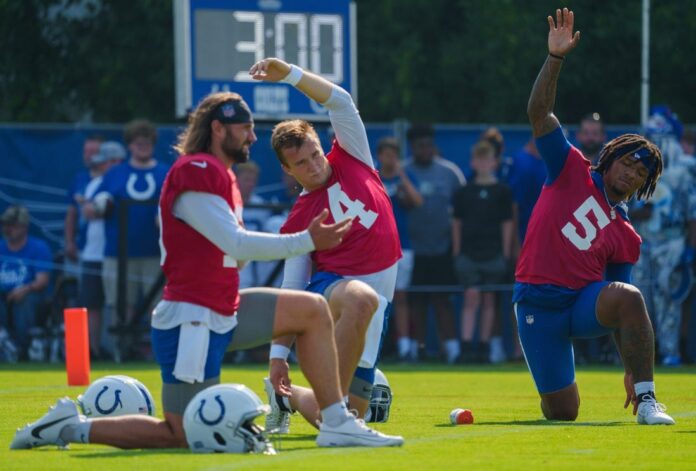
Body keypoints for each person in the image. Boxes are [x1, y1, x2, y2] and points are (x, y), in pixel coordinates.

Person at [10, 90, 403, 451]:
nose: (252, 138)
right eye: (245, 129)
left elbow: (236, 256)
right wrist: (306, 240)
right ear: (219, 129)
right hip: (191, 317)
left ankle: (336, 421)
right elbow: (236, 244)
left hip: (223, 306)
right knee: (178, 433)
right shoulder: (194, 169)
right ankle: (70, 427)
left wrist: (277, 355)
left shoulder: (221, 176)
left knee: (311, 309)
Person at [514, 7, 674, 425]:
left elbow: (624, 307)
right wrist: (555, 58)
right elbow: (539, 113)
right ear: (610, 156)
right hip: (538, 303)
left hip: (581, 305)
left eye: (641, 173)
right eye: (628, 163)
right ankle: (551, 390)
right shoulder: (571, 169)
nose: (631, 173)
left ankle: (648, 400)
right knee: (563, 412)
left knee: (631, 295)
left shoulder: (627, 234)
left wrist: (632, 370)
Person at [252, 58, 402, 431]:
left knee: (339, 418)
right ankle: (322, 397)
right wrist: (277, 356)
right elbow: (292, 288)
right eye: (302, 163)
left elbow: (341, 101)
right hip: (336, 292)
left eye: (316, 154)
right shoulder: (298, 218)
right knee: (361, 299)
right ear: (287, 170)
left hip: (376, 301)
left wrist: (290, 74)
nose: (315, 166)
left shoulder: (353, 155)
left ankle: (285, 396)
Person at [83, 119, 169, 358]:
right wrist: (98, 207)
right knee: (121, 306)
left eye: (147, 143)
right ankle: (122, 353)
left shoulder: (165, 172)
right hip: (118, 253)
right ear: (130, 145)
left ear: (153, 144)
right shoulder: (115, 173)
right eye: (138, 143)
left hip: (157, 253)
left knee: (159, 307)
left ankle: (159, 353)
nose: (142, 146)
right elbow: (92, 207)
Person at [630, 106, 696, 367]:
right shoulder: (636, 166)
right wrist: (639, 211)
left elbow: (692, 213)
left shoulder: (684, 169)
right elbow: (626, 208)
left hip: (672, 243)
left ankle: (670, 352)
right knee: (640, 299)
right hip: (642, 244)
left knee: (669, 299)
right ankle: (645, 353)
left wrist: (691, 248)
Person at [404, 123, 465, 363]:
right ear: (412, 147)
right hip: (413, 250)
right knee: (416, 302)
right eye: (420, 146)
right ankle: (417, 349)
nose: (425, 150)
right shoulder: (403, 172)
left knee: (443, 301)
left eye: (429, 145)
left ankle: (452, 350)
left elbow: (462, 211)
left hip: (443, 249)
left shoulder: (450, 173)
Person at [452, 140, 514, 363]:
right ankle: (466, 348)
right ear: (473, 163)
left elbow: (507, 223)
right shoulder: (464, 192)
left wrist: (505, 254)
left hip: (494, 254)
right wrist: (457, 252)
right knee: (471, 298)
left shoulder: (502, 191)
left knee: (489, 300)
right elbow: (456, 223)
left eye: (487, 159)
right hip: (468, 254)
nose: (483, 164)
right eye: (479, 159)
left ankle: (485, 348)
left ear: (494, 162)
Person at [76, 141, 126, 358]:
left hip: (116, 254)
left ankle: (119, 351)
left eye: (105, 162)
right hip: (93, 253)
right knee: (91, 305)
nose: (100, 166)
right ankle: (92, 351)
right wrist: (96, 206)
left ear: (116, 162)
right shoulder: (96, 183)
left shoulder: (125, 182)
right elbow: (88, 212)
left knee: (118, 304)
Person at [377, 137, 423, 361]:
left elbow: (418, 201)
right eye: (387, 155)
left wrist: (402, 177)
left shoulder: (405, 177)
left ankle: (404, 347)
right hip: (376, 246)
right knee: (376, 298)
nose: (391, 159)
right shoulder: (373, 177)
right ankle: (375, 345)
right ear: (379, 156)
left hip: (402, 246)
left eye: (394, 155)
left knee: (402, 296)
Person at [0, 205, 52, 358]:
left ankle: (22, 349)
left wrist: (24, 289)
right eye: (5, 224)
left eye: (12, 225)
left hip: (31, 294)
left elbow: (42, 280)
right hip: (3, 295)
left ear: (24, 227)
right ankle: (4, 345)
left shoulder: (38, 247)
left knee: (24, 301)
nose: (7, 229)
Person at [64, 135, 103, 263]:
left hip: (107, 248)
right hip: (83, 247)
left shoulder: (111, 179)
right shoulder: (79, 179)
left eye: (93, 152)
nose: (88, 156)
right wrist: (70, 241)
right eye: (86, 151)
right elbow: (72, 213)